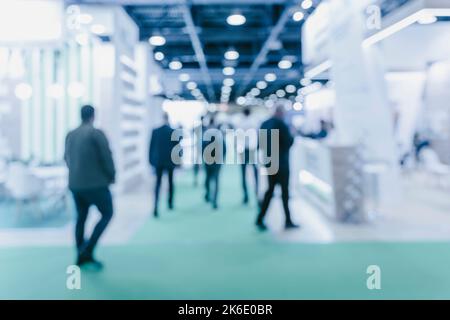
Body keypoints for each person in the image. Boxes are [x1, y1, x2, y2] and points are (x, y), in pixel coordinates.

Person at [64, 105, 116, 269]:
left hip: (75, 184)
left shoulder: (70, 134)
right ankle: (87, 250)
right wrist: (111, 176)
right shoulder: (96, 133)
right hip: (96, 185)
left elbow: (66, 158)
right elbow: (107, 158)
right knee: (107, 213)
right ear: (93, 116)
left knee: (81, 218)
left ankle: (80, 253)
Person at [256, 104, 299, 231]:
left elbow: (260, 144)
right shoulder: (282, 125)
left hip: (270, 163)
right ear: (281, 112)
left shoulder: (264, 124)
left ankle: (260, 218)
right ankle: (288, 220)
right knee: (284, 192)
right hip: (282, 164)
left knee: (270, 191)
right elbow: (289, 142)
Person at [149, 113, 181, 218]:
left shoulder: (155, 131)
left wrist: (150, 160)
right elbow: (177, 148)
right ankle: (170, 203)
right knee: (170, 182)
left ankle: (155, 206)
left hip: (158, 162)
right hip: (169, 161)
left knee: (158, 184)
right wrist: (178, 161)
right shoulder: (172, 132)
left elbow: (151, 147)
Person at [236, 108, 259, 205]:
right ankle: (257, 192)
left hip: (244, 150)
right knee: (255, 173)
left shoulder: (240, 123)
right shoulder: (254, 122)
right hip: (252, 150)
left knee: (243, 173)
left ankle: (246, 196)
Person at [202, 115, 226, 210]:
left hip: (208, 160)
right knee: (215, 180)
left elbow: (202, 147)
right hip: (217, 161)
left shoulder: (206, 134)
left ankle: (208, 195)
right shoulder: (219, 134)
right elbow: (224, 148)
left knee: (208, 179)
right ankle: (214, 200)